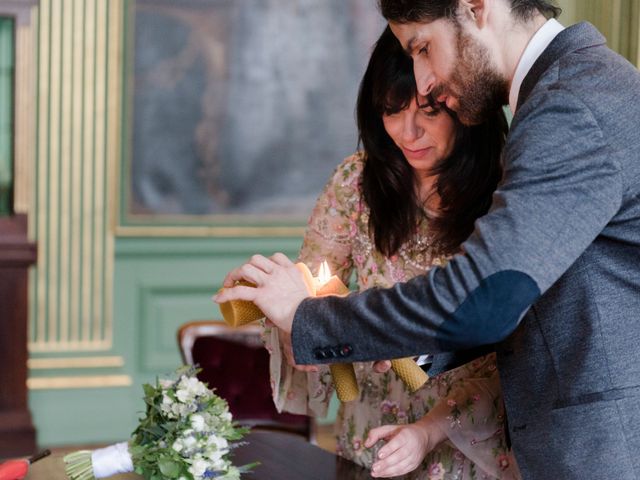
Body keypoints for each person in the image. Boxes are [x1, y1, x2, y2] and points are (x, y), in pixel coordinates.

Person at [214, 1, 640, 478]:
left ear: (476, 7)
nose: (422, 82)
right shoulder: (578, 86)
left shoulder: (568, 106)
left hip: (600, 450)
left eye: (423, 48)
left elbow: (487, 298)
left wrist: (306, 316)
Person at [262, 26, 516, 479]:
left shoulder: (509, 188)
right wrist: (276, 307)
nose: (408, 132)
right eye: (391, 111)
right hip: (371, 432)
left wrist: (430, 429)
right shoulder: (356, 182)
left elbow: (519, 347)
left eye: (429, 111)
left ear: (465, 107)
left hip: (471, 432)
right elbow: (316, 289)